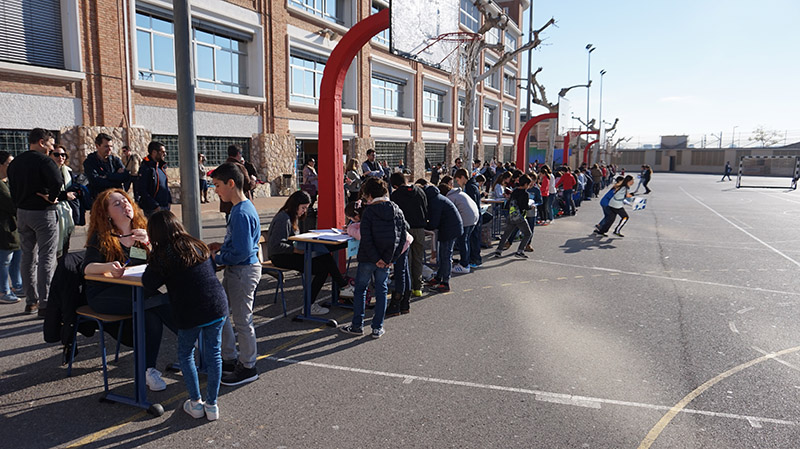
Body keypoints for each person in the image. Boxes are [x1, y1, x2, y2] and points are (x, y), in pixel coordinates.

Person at [82, 189, 175, 391]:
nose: (125, 205)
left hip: (136, 292)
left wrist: (149, 243)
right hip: (103, 294)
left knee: (151, 312)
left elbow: (158, 261)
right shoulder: (102, 237)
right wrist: (108, 267)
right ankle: (190, 335)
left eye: (126, 201)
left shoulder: (142, 230)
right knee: (155, 300)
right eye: (117, 204)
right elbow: (87, 268)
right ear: (106, 214)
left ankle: (148, 370)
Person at [143, 211, 228, 421]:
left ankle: (196, 403)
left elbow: (148, 283)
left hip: (189, 310)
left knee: (186, 353)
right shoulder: (196, 244)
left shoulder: (162, 254)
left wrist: (147, 251)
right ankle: (212, 405)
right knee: (214, 353)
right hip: (216, 304)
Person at [207, 162, 261, 386]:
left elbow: (242, 251)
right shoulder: (241, 209)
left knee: (241, 320)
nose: (216, 191)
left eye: (218, 185)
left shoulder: (240, 212)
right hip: (239, 270)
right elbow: (240, 244)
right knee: (225, 315)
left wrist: (217, 258)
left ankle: (248, 366)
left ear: (231, 183)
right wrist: (223, 245)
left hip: (242, 271)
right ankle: (230, 358)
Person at [340, 177, 407, 339]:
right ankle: (377, 327)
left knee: (361, 290)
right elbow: (401, 237)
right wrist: (390, 258)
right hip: (387, 258)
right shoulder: (396, 209)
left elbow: (367, 237)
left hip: (368, 258)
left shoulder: (369, 212)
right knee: (382, 290)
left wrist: (376, 258)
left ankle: (357, 325)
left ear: (369, 195)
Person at [268, 190, 354, 315]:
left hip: (290, 253)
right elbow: (276, 246)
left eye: (306, 208)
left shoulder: (291, 217)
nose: (304, 211)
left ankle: (343, 287)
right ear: (295, 205)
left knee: (325, 256)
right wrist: (297, 250)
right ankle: (310, 305)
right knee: (322, 269)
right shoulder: (284, 218)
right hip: (281, 257)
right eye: (303, 208)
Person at [7, 128, 62, 316]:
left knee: (27, 257)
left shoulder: (15, 162)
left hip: (23, 213)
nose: (52, 147)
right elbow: (57, 181)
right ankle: (45, 303)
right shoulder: (45, 160)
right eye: (50, 143)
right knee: (47, 256)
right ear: (41, 142)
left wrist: (19, 203)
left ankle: (31, 301)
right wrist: (52, 198)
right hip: (42, 213)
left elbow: (11, 187)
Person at [344, 200, 413, 317]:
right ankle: (404, 303)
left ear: (356, 215)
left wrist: (350, 229)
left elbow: (363, 234)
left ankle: (396, 304)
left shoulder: (369, 215)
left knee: (399, 274)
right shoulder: (378, 211)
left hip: (396, 246)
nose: (351, 221)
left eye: (351, 218)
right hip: (403, 241)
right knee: (403, 272)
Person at [416, 179, 463, 293]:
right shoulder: (435, 197)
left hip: (450, 229)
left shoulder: (435, 201)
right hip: (448, 227)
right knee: (442, 255)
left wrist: (421, 225)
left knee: (446, 255)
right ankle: (439, 278)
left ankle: (445, 282)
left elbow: (433, 223)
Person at [389, 172, 428, 298]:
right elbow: (426, 208)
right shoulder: (420, 191)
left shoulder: (395, 195)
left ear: (394, 185)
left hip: (405, 230)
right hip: (420, 229)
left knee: (407, 260)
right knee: (418, 258)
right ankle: (418, 287)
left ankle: (408, 288)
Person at [493, 174, 534, 258]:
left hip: (511, 215)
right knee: (528, 234)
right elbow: (524, 206)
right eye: (528, 184)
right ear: (526, 184)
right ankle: (520, 251)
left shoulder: (515, 191)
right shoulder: (525, 194)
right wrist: (531, 207)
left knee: (506, 234)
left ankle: (499, 250)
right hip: (519, 217)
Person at [0, 151, 22, 304]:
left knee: (16, 259)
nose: (12, 167)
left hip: (14, 228)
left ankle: (17, 286)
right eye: (9, 163)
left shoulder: (8, 182)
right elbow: (12, 204)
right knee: (4, 262)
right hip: (4, 230)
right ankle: (3, 291)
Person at [83, 133, 130, 204]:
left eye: (111, 146)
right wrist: (116, 177)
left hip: (117, 200)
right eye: (106, 146)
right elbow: (95, 182)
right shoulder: (90, 162)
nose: (109, 149)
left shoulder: (115, 160)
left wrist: (107, 176)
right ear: (97, 146)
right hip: (100, 201)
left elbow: (125, 176)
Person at [50, 145, 77, 258]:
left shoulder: (68, 171)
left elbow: (72, 189)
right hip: (53, 210)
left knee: (66, 244)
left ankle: (62, 270)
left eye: (63, 155)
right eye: (56, 154)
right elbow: (48, 192)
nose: (60, 157)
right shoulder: (47, 171)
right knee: (52, 245)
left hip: (67, 211)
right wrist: (65, 195)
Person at [453, 169, 481, 269]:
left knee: (471, 239)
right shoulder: (473, 185)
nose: (458, 183)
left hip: (471, 217)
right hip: (475, 215)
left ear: (463, 177)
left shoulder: (469, 187)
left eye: (458, 180)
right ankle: (473, 259)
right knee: (471, 238)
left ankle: (474, 259)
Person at [137, 141, 172, 218]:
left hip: (165, 206)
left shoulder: (161, 167)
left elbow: (165, 186)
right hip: (153, 209)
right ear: (154, 152)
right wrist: (155, 206)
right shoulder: (146, 168)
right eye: (162, 152)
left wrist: (169, 200)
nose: (165, 154)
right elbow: (142, 190)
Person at [218, 146, 252, 220]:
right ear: (238, 154)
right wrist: (253, 181)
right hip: (239, 204)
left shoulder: (223, 167)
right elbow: (248, 185)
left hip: (227, 205)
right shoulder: (239, 167)